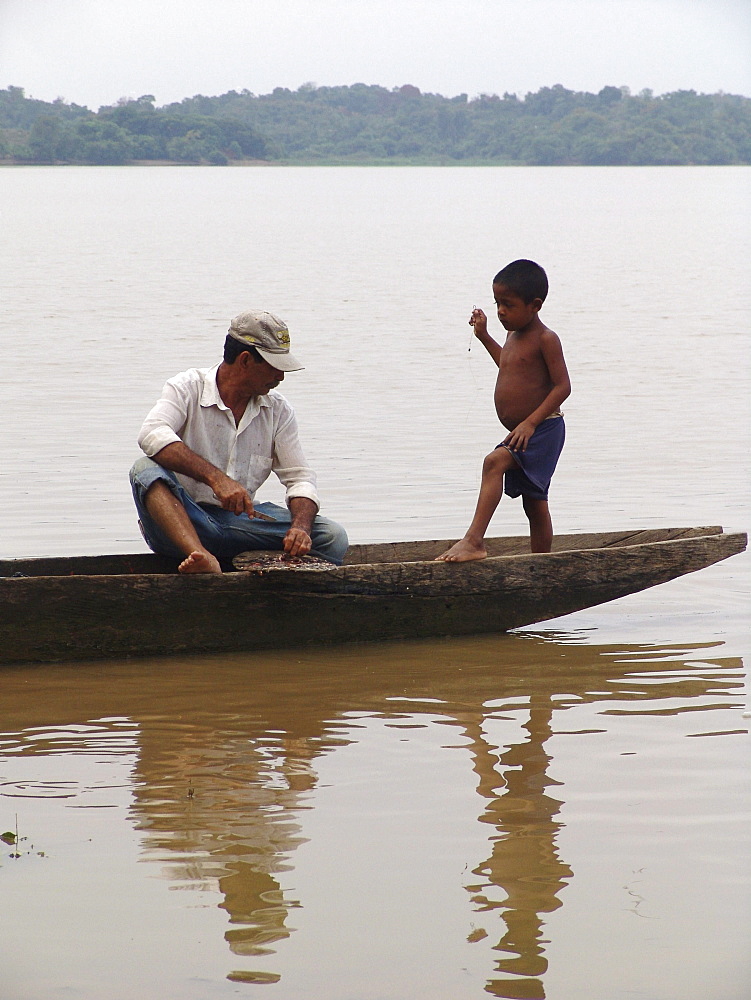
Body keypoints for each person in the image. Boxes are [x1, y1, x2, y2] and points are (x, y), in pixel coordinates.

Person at [129, 309, 348, 573]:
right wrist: (216, 479)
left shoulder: (278, 410)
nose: (280, 377)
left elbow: (300, 478)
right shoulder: (186, 387)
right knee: (144, 470)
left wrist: (300, 528)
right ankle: (200, 555)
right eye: (275, 368)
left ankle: (238, 565)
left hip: (239, 525)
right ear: (245, 360)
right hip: (183, 521)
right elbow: (152, 434)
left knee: (332, 537)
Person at [437, 259, 571, 562]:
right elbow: (509, 365)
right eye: (497, 303)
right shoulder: (512, 335)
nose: (500, 311)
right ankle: (542, 563)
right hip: (530, 429)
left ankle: (474, 541)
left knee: (494, 462)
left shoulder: (546, 339)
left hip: (544, 429)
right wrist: (484, 336)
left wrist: (529, 424)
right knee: (534, 502)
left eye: (508, 305)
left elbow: (563, 387)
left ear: (534, 305)